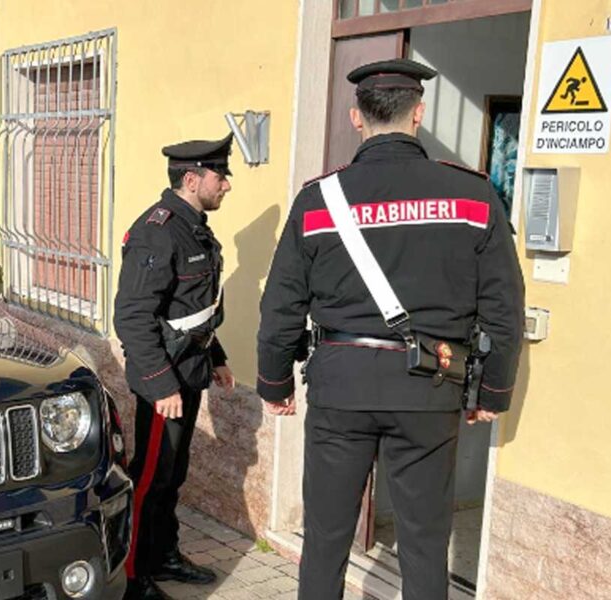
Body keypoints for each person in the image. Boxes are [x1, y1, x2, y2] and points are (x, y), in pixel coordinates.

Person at [255, 58, 525, 600]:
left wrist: (274, 383)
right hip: (431, 387)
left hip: (341, 388)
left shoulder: (318, 200)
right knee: (425, 542)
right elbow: (504, 307)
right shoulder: (473, 196)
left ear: (357, 118)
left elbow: (281, 305)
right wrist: (492, 391)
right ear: (419, 114)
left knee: (327, 538)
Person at [114, 134, 238, 600]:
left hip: (188, 371)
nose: (226, 185)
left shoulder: (195, 227)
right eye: (220, 176)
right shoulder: (158, 231)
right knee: (149, 478)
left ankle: (163, 553)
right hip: (163, 381)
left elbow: (192, 308)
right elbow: (132, 316)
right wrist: (159, 383)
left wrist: (218, 357)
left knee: (174, 474)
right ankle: (132, 576)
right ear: (192, 179)